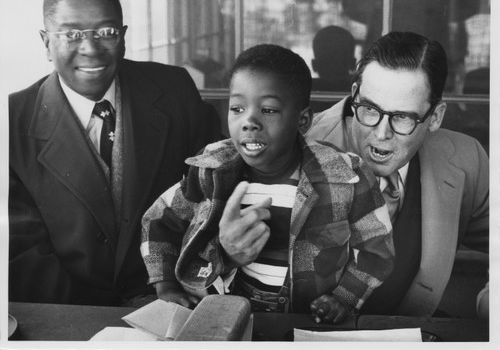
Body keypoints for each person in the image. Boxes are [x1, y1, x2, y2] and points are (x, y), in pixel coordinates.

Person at [141, 44, 394, 323]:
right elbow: (157, 220)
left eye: (269, 110)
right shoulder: (210, 171)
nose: (249, 121)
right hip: (225, 314)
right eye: (237, 108)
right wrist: (165, 285)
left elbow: (377, 250)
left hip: (306, 322)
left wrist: (345, 298)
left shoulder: (345, 178)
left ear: (302, 121)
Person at [9, 0, 221, 307]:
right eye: (72, 34)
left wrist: (179, 282)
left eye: (105, 32)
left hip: (168, 300)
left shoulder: (175, 89)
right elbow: (16, 248)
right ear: (46, 42)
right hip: (66, 313)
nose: (90, 49)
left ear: (122, 36)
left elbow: (210, 197)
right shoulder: (11, 120)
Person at [306, 31, 489, 316]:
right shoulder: (298, 148)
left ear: (436, 117)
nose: (381, 133)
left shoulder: (466, 158)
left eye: (402, 117)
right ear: (355, 94)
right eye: (368, 109)